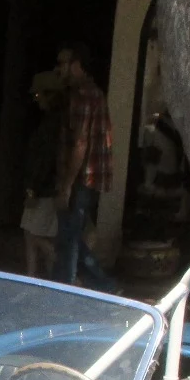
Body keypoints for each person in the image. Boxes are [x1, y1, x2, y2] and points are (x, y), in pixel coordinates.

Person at [53, 43, 117, 292]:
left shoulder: (82, 96)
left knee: (68, 238)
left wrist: (66, 185)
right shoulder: (92, 93)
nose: (58, 69)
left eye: (62, 63)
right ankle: (102, 283)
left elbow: (80, 143)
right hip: (86, 177)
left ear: (76, 65)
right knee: (73, 236)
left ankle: (65, 289)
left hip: (81, 178)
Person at [20, 70, 63, 278]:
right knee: (40, 235)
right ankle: (43, 278)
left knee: (32, 235)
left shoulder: (50, 126)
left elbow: (44, 161)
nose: (36, 100)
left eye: (38, 96)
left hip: (45, 190)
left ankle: (36, 278)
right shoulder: (54, 122)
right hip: (50, 188)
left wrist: (32, 189)